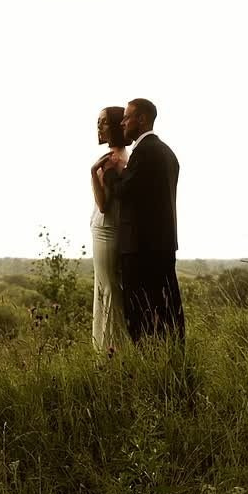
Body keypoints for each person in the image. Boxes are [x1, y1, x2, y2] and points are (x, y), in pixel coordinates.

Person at [110, 98, 185, 343]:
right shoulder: (167, 152)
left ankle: (146, 369)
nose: (122, 122)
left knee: (139, 314)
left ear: (141, 119)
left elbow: (124, 193)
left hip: (140, 249)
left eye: (127, 117)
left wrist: (115, 171)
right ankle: (171, 358)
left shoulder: (143, 153)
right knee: (167, 309)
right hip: (163, 246)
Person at [89, 106, 129, 351]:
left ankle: (109, 350)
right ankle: (108, 348)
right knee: (108, 288)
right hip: (110, 229)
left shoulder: (113, 160)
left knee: (108, 290)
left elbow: (103, 204)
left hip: (106, 229)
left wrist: (93, 173)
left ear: (115, 125)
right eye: (97, 122)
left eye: (104, 122)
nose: (99, 127)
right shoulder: (123, 156)